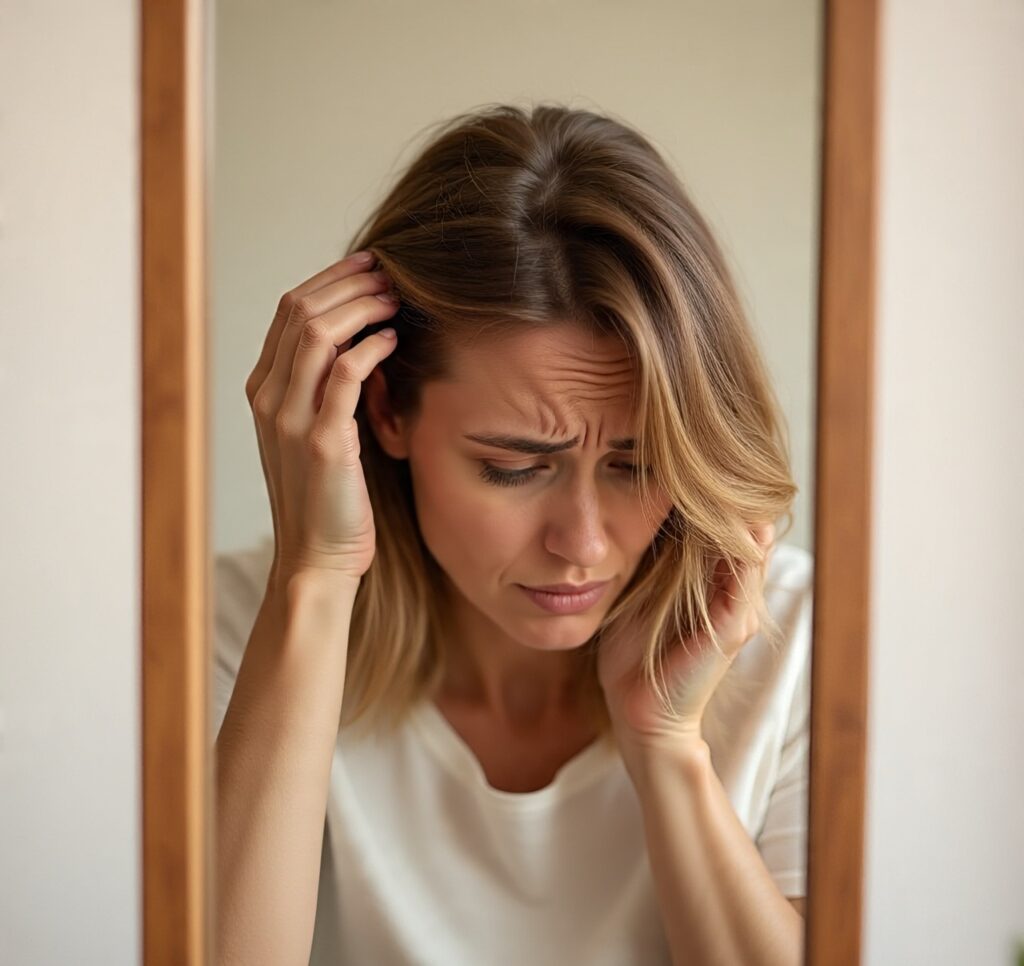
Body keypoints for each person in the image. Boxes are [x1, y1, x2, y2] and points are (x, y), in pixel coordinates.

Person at [212, 102, 813, 966]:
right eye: (515, 467)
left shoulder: (786, 640)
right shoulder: (240, 627)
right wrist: (314, 576)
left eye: (636, 467)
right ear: (383, 412)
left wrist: (667, 749)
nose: (581, 543)